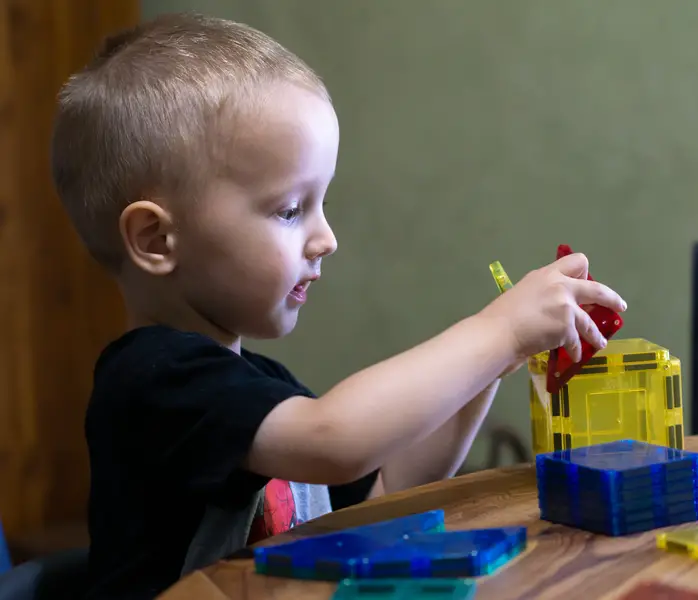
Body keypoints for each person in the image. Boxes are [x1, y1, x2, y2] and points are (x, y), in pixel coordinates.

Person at [49, 12, 627, 599]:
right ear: (155, 240)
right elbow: (337, 441)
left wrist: (496, 361)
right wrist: (496, 333)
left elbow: (385, 496)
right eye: (288, 209)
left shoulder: (257, 385)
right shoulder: (152, 381)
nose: (325, 238)